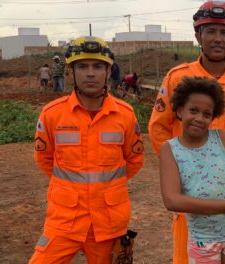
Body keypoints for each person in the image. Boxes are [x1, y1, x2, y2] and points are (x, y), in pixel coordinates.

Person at [148, 1, 225, 263]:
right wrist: (179, 170)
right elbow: (158, 127)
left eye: (224, 33)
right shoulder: (177, 77)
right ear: (197, 35)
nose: (217, 39)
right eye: (210, 31)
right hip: (194, 195)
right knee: (185, 257)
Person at [29, 36, 145, 264]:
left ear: (108, 71)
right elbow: (45, 159)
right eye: (82, 66)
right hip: (64, 220)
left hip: (108, 221)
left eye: (97, 66)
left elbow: (134, 160)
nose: (90, 73)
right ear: (71, 70)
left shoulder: (125, 115)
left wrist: (105, 189)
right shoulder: (52, 114)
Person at [160, 76, 225, 264]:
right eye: (193, 111)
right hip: (202, 238)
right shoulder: (170, 149)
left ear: (213, 116)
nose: (199, 119)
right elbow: (172, 200)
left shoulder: (222, 139)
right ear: (180, 110)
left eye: (207, 114)